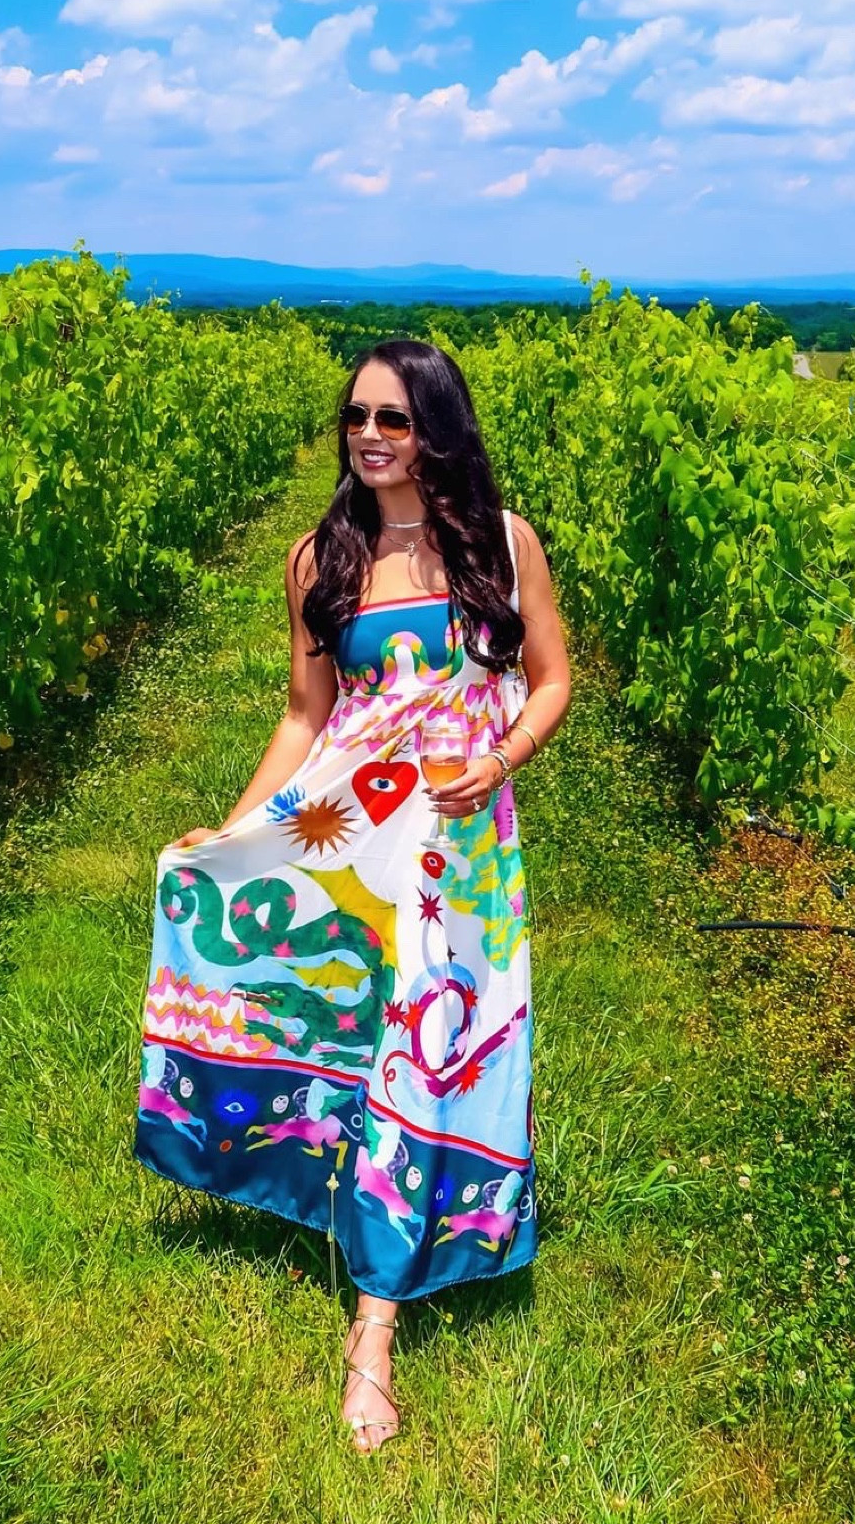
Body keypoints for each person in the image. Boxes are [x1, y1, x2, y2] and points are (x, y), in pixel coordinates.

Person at [135, 337, 571, 1453]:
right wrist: (236, 830)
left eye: (394, 417)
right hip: (354, 831)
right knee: (356, 1031)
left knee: (434, 1043)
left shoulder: (503, 544)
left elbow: (555, 676)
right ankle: (365, 1288)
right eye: (356, 416)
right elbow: (302, 714)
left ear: (437, 427)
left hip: (462, 851)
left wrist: (505, 750)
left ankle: (382, 1296)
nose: (370, 436)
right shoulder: (317, 557)